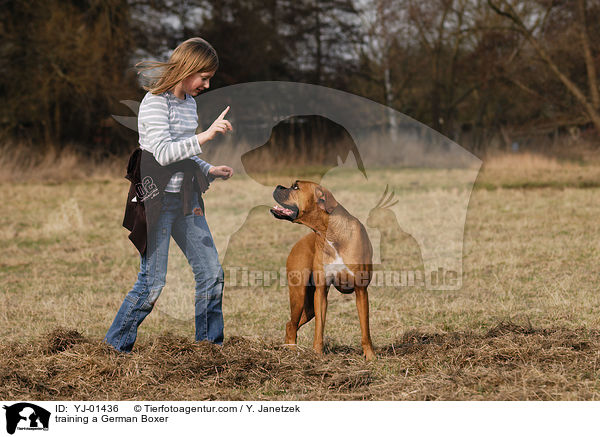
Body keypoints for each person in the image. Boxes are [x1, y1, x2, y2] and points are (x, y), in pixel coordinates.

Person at [104, 37, 233, 353]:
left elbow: (183, 153)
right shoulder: (154, 103)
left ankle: (208, 349)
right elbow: (162, 153)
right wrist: (206, 136)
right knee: (151, 284)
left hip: (186, 201)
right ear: (188, 68)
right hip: (156, 202)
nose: (205, 85)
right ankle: (114, 348)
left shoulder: (189, 105)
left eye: (209, 80)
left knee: (212, 274)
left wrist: (207, 169)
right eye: (203, 77)